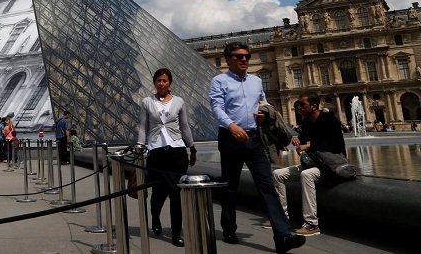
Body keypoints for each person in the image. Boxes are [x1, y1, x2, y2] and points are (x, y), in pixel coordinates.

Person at [209, 42, 305, 254]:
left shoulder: (256, 81)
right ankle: (229, 229)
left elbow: (264, 103)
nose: (244, 59)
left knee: (267, 187)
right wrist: (231, 125)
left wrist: (264, 114)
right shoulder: (219, 81)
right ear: (228, 59)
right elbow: (217, 107)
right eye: (238, 56)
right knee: (230, 188)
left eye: (247, 56)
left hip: (254, 139)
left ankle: (283, 236)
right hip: (230, 138)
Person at [271, 92, 346, 237]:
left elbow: (337, 146)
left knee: (306, 175)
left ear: (314, 106)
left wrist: (309, 147)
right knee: (277, 174)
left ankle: (312, 224)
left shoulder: (329, 120)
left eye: (302, 104)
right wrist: (297, 141)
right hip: (314, 163)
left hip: (331, 165)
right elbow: (303, 139)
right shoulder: (307, 121)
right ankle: (282, 217)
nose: (299, 107)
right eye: (298, 104)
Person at [137, 68, 196, 247]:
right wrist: (140, 147)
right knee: (158, 193)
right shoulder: (146, 102)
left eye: (165, 80)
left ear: (170, 83)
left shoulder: (179, 101)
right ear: (154, 82)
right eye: (159, 80)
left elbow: (184, 126)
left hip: (177, 152)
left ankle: (176, 232)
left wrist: (192, 147)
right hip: (156, 152)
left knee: (176, 193)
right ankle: (155, 217)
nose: (162, 83)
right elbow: (143, 127)